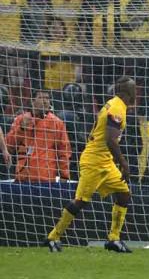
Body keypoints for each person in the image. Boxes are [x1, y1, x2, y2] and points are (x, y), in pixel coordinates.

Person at [46, 76, 137, 253]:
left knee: (124, 193)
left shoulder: (113, 103)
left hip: (104, 160)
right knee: (80, 201)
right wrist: (124, 163)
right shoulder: (117, 108)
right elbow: (111, 139)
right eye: (134, 89)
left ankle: (114, 239)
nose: (136, 93)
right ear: (127, 92)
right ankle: (53, 237)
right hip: (94, 161)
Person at [5, 90, 70, 183]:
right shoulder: (21, 119)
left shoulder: (57, 123)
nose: (45, 101)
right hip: (23, 177)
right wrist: (21, 129)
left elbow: (64, 151)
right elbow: (9, 146)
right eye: (41, 98)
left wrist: (64, 176)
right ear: (32, 101)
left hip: (46, 178)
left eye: (47, 98)